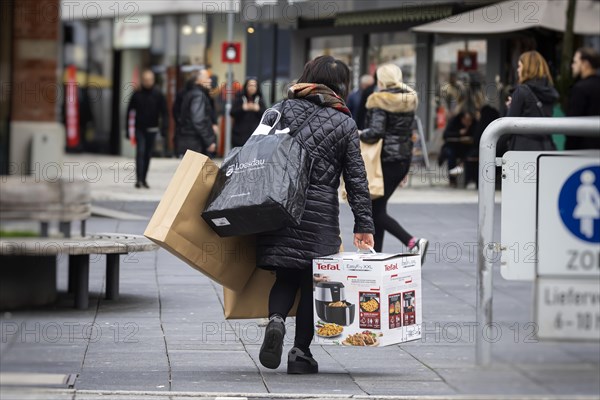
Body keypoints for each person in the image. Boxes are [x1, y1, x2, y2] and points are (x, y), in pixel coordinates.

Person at [257, 56, 375, 374]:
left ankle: (276, 321)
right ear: (342, 86)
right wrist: (364, 224)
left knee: (284, 277)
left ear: (307, 76)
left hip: (278, 207)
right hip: (320, 216)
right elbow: (357, 180)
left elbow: (254, 152)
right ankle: (300, 353)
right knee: (313, 283)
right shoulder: (345, 123)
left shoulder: (280, 110)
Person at [359, 64, 429, 262]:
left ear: (380, 80)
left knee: (374, 210)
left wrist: (358, 134)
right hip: (401, 161)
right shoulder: (409, 98)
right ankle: (376, 253)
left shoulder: (379, 100)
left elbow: (375, 132)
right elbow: (407, 135)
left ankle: (412, 242)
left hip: (384, 161)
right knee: (377, 209)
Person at [505, 50, 558, 151]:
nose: (517, 70)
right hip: (544, 148)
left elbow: (507, 127)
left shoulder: (521, 91)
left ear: (527, 68)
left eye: (519, 66)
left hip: (522, 149)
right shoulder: (549, 92)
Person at [126, 69, 168, 189]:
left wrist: (164, 128)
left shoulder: (158, 94)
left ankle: (144, 179)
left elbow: (164, 112)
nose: (148, 82)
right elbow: (129, 111)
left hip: (153, 128)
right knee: (140, 152)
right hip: (140, 128)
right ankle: (139, 180)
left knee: (147, 154)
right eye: (145, 80)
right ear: (142, 80)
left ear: (153, 80)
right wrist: (128, 130)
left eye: (150, 80)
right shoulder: (137, 93)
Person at [176, 68, 217, 157]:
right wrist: (209, 141)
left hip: (191, 140)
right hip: (195, 142)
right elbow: (198, 120)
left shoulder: (192, 93)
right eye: (207, 78)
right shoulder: (198, 95)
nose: (210, 80)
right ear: (199, 80)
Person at [566, 47, 600, 150]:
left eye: (575, 62)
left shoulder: (580, 89)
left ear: (585, 63)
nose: (572, 66)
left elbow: (573, 125)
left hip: (582, 150)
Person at [230, 78, 267, 148]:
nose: (252, 88)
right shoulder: (239, 98)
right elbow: (232, 113)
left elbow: (266, 116)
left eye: (254, 86)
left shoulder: (260, 99)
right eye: (250, 85)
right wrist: (242, 108)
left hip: (255, 136)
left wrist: (258, 109)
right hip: (239, 136)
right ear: (246, 86)